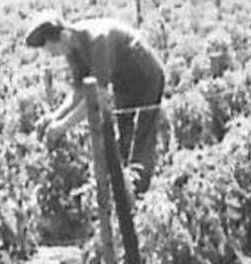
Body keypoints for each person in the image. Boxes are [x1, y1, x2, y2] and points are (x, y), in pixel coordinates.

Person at [26, 14, 165, 194]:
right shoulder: (72, 49)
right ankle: (123, 194)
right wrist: (54, 117)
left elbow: (96, 95)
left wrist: (62, 126)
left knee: (142, 140)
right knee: (123, 139)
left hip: (147, 77)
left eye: (52, 50)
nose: (53, 55)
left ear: (62, 36)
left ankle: (139, 196)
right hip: (124, 83)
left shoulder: (97, 40)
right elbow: (79, 92)